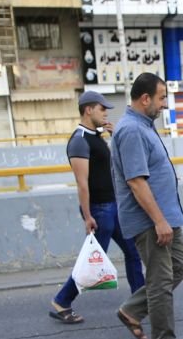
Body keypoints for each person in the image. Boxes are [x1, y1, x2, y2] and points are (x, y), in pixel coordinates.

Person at [111, 73, 183, 339]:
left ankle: (132, 310)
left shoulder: (143, 126)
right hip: (150, 220)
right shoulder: (132, 130)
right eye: (161, 98)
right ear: (145, 98)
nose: (164, 105)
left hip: (166, 216)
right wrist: (159, 221)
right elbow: (136, 181)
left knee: (180, 265)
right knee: (160, 281)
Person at [49, 91, 145, 325]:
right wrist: (88, 215)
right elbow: (82, 183)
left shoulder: (97, 136)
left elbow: (109, 169)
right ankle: (62, 300)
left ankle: (140, 301)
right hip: (99, 209)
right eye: (102, 109)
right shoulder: (79, 139)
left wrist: (115, 138)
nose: (106, 113)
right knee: (92, 260)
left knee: (133, 251)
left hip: (113, 206)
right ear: (88, 109)